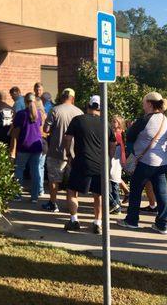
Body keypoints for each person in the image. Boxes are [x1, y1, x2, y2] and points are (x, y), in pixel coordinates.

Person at [118, 92, 167, 234]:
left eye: (144, 102)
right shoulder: (165, 119)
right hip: (162, 161)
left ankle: (132, 220)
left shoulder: (145, 120)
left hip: (145, 161)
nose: (143, 105)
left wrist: (131, 126)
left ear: (149, 103)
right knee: (161, 192)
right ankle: (162, 224)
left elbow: (129, 135)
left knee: (135, 190)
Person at [62, 95, 116, 234]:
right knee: (98, 194)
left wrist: (69, 154)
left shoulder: (78, 120)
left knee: (72, 190)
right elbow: (112, 144)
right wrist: (109, 160)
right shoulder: (106, 123)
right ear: (101, 107)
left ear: (88, 105)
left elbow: (68, 138)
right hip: (100, 164)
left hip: (81, 161)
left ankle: (74, 220)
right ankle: (97, 222)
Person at [41, 88, 83, 213]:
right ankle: (73, 204)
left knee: (54, 180)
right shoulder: (79, 112)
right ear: (73, 98)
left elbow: (46, 129)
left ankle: (53, 203)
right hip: (74, 153)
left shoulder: (55, 110)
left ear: (62, 96)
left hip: (56, 151)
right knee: (73, 181)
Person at [10, 93, 43, 203]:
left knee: (19, 169)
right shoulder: (38, 113)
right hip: (37, 145)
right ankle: (35, 196)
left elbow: (16, 132)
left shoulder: (21, 114)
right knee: (35, 171)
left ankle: (17, 195)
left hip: (24, 145)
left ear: (25, 101)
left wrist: (12, 149)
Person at [109, 115, 127, 215]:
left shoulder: (118, 134)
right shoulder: (113, 132)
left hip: (115, 161)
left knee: (114, 185)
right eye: (112, 121)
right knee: (113, 184)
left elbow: (121, 148)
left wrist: (123, 159)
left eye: (115, 121)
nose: (113, 122)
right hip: (114, 161)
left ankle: (116, 206)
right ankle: (116, 206)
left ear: (119, 123)